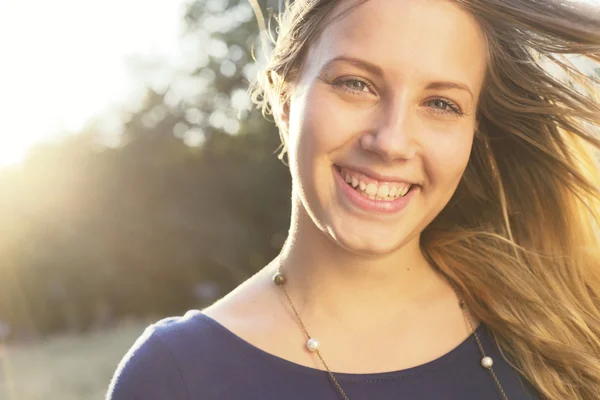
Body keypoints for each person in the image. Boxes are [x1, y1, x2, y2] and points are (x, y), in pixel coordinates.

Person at [106, 0, 600, 399]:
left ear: (473, 131)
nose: (391, 141)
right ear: (284, 96)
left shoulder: (554, 314)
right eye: (355, 84)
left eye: (441, 103)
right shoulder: (174, 377)